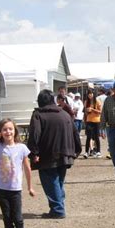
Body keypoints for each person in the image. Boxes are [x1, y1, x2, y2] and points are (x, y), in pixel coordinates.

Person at [28, 89, 82, 219]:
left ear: (40, 102)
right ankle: (58, 206)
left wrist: (33, 153)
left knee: (51, 182)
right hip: (66, 154)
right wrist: (77, 150)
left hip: (47, 155)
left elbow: (34, 135)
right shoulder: (64, 114)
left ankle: (58, 209)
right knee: (58, 182)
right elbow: (75, 133)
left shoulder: (38, 115)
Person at [83, 89, 102, 158]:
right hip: (89, 121)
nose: (90, 95)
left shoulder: (97, 101)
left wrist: (92, 109)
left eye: (91, 93)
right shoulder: (86, 102)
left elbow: (100, 112)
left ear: (93, 94)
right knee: (88, 137)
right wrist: (87, 111)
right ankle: (86, 152)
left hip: (96, 121)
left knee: (96, 137)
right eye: (88, 94)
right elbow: (85, 112)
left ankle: (98, 151)